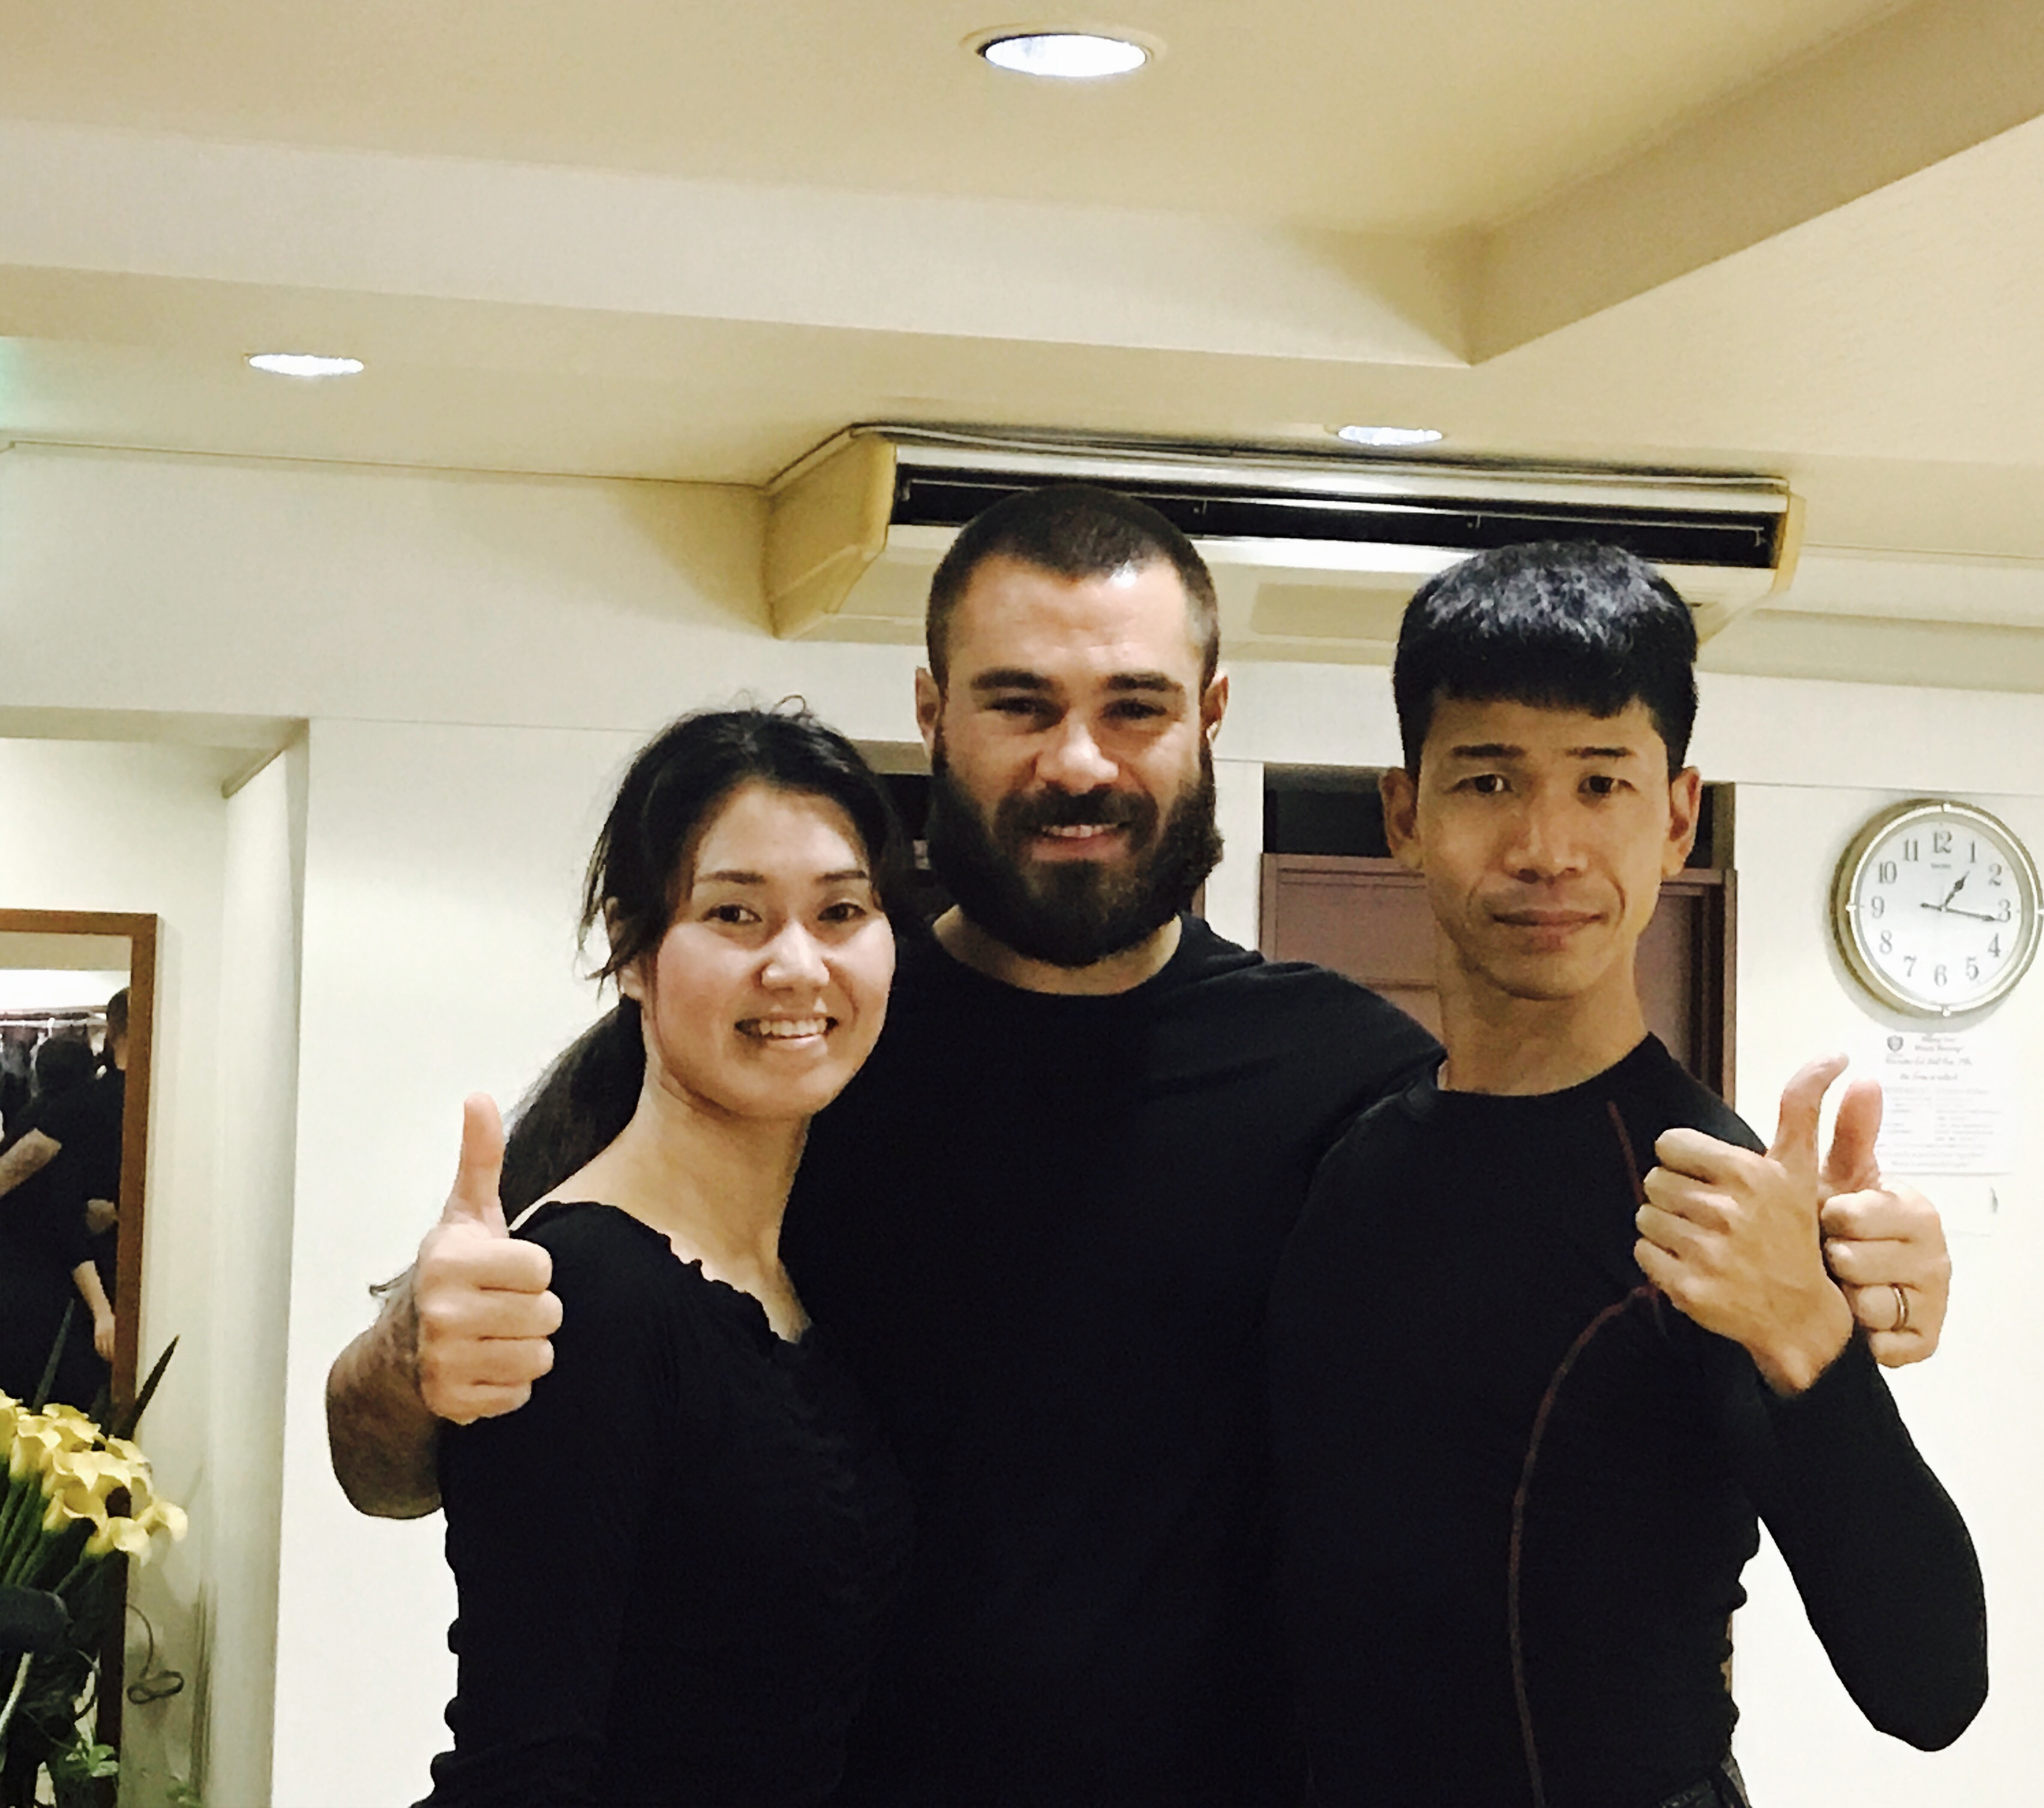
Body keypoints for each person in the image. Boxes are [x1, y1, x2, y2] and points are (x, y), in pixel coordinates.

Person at [328, 485, 1956, 1806]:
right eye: (1020, 704)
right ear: (933, 714)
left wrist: (1853, 1294)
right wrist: (408, 1358)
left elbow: (1563, 1299)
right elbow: (396, 1447)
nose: (1080, 761)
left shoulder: (1354, 1081)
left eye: (1134, 707)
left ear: (1210, 719)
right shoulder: (787, 1050)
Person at [1267, 541, 1988, 1808]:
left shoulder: (1717, 1208)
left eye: (1601, 781)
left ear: (1676, 816)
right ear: (1405, 812)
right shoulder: (1346, 1146)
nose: (1545, 845)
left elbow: (1930, 1683)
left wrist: (1810, 1336)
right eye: (1488, 779)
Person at [416, 706, 915, 1807]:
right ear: (633, 949)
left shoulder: (794, 1274)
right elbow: (522, 1768)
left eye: (840, 911)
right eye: (734, 913)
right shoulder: (585, 1295)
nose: (797, 964)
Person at [0, 1031, 113, 1403]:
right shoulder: (74, 1133)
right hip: (52, 1291)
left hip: (14, 1283)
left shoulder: (25, 1127)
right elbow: (67, 1226)